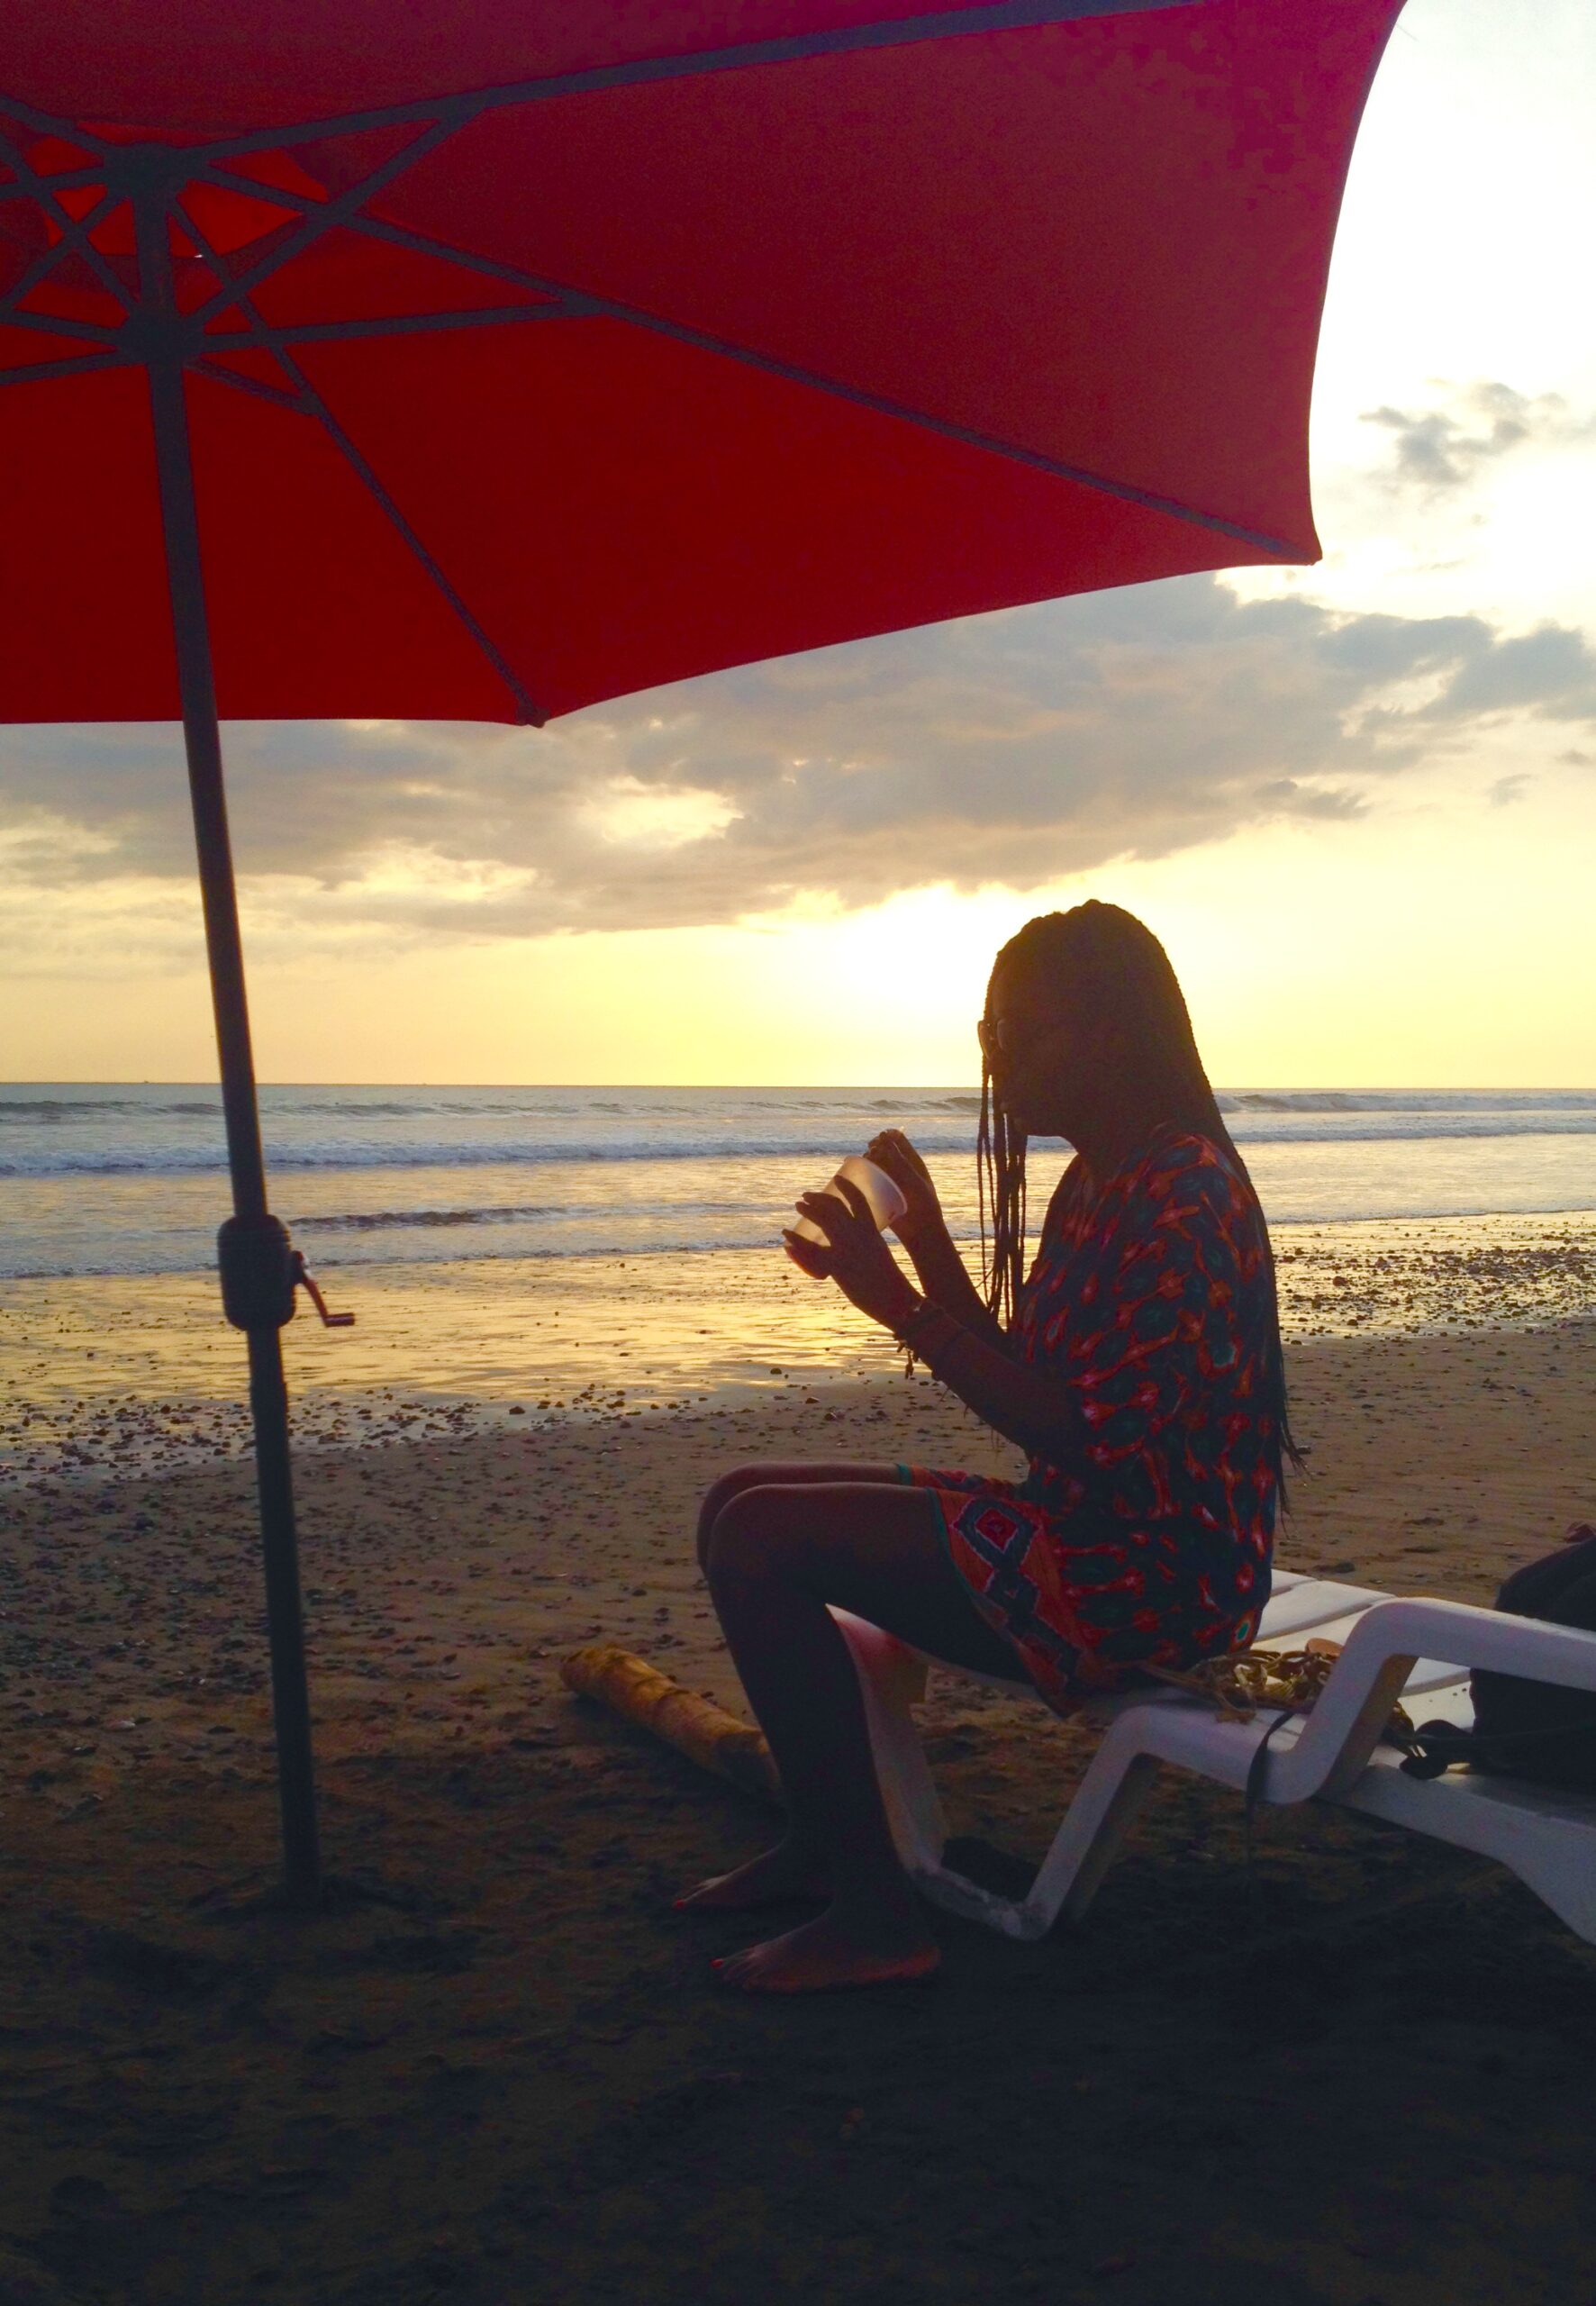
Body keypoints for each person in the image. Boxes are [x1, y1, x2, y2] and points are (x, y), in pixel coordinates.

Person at [680, 902, 1292, 1993]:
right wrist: (918, 1243)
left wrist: (898, 1308)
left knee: (761, 1540)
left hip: (1152, 1583)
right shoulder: (1102, 1176)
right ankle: (827, 1846)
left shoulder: (1183, 1195)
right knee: (735, 1498)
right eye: (991, 1036)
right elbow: (1035, 1369)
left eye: (1018, 1033)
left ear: (1105, 1032)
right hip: (1084, 1532)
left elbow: (1083, 1432)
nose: (997, 1062)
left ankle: (873, 1915)